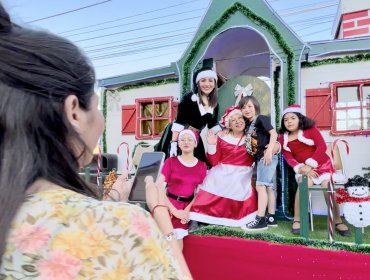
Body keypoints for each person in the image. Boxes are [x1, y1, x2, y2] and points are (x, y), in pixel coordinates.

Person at [0, 4, 192, 279]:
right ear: (74, 111)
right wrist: (161, 217)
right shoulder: (122, 227)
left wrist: (113, 197)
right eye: (96, 104)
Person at [278, 105, 350, 236]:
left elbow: (322, 147)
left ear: (300, 118)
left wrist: (311, 165)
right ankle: (297, 219)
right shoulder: (283, 137)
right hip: (304, 169)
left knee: (327, 185)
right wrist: (301, 169)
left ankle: (338, 220)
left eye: (292, 118)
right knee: (304, 184)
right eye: (286, 119)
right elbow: (288, 156)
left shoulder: (310, 129)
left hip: (321, 163)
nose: (289, 121)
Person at [189, 106, 258, 227]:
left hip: (242, 172)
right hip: (222, 169)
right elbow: (214, 161)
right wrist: (211, 145)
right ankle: (198, 215)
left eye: (240, 118)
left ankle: (231, 218)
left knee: (236, 183)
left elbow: (256, 155)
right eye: (233, 119)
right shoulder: (222, 137)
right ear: (229, 125)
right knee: (213, 178)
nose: (237, 121)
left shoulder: (251, 138)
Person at [155, 67, 221, 164]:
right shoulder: (189, 98)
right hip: (179, 134)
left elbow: (212, 125)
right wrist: (173, 143)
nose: (207, 84)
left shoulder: (214, 104)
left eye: (211, 81)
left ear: (215, 83)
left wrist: (224, 135)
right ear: (197, 83)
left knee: (200, 162)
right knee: (177, 163)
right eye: (203, 80)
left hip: (195, 136)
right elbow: (179, 121)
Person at [161, 129, 207, 250]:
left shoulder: (202, 166)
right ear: (178, 143)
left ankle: (176, 268)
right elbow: (158, 188)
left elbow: (199, 193)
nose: (186, 142)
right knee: (165, 239)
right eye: (182, 139)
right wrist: (174, 210)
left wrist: (186, 210)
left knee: (177, 242)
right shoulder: (170, 162)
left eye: (189, 139)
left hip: (186, 208)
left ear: (195, 143)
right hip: (168, 205)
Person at [239, 96, 280, 231]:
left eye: (249, 106)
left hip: (266, 157)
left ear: (255, 107)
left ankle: (260, 219)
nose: (246, 109)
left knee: (261, 186)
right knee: (268, 187)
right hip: (259, 158)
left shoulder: (261, 118)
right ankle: (271, 217)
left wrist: (269, 151)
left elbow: (273, 134)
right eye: (243, 107)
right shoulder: (248, 125)